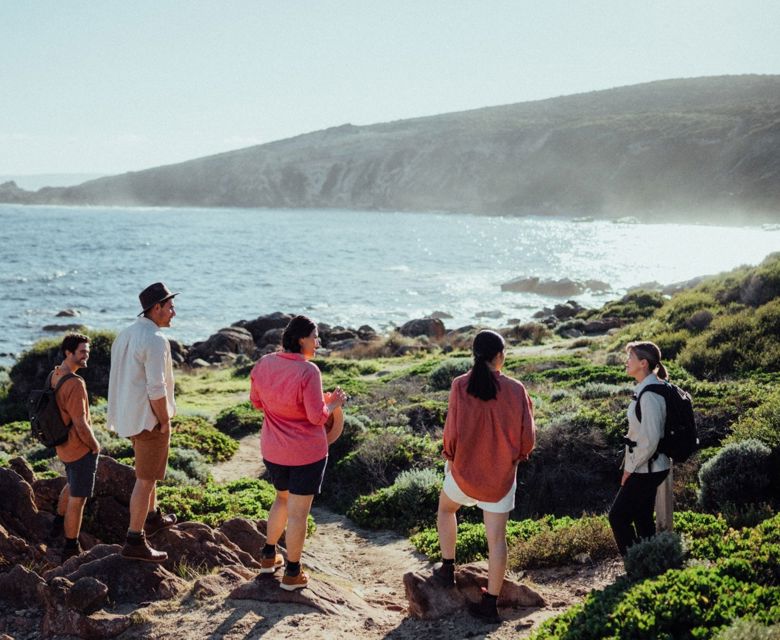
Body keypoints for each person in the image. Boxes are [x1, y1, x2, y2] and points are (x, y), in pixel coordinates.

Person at [433, 329, 535, 623]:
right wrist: (516, 457)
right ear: (499, 356)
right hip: (500, 477)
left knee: (446, 509)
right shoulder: (516, 389)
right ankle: (490, 604)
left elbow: (451, 431)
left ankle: (447, 569)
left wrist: (451, 458)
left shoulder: (459, 384)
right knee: (497, 540)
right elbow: (528, 438)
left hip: (464, 473)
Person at [249, 315, 347, 591]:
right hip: (306, 455)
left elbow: (256, 402)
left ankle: (268, 557)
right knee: (298, 514)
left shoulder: (264, 363)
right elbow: (317, 417)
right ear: (301, 338)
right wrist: (334, 403)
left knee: (281, 499)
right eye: (315, 337)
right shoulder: (308, 371)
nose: (318, 342)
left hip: (273, 450)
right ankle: (292, 573)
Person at [107, 282, 179, 563]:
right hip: (149, 419)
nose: (174, 311)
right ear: (156, 308)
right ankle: (135, 540)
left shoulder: (125, 334)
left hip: (129, 416)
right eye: (170, 306)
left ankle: (153, 517)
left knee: (148, 471)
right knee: (145, 479)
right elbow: (156, 388)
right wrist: (164, 421)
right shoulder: (156, 339)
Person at [608, 341, 671, 556]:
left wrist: (630, 469)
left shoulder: (650, 394)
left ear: (643, 363)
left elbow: (650, 439)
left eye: (630, 358)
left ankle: (635, 564)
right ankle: (650, 563)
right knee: (642, 517)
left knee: (618, 517)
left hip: (648, 467)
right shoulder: (647, 388)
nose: (626, 361)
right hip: (649, 466)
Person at [48, 333, 101, 563]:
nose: (86, 355)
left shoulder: (55, 374)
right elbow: (80, 423)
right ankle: (70, 547)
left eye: (87, 351)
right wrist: (95, 445)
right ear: (68, 352)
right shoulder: (76, 383)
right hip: (78, 448)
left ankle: (56, 525)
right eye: (82, 352)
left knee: (71, 483)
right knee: (78, 499)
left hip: (62, 444)